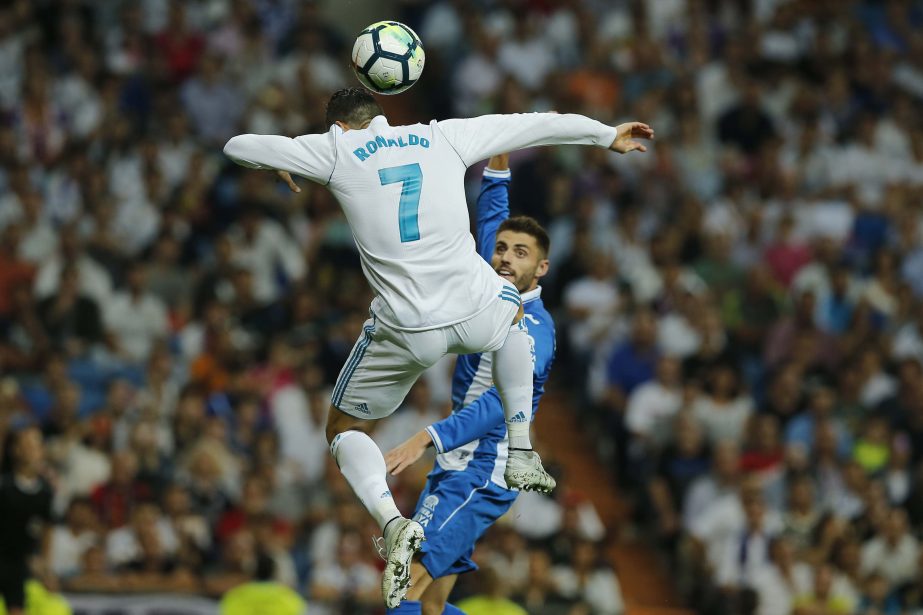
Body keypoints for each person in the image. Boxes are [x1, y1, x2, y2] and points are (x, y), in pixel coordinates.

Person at [224, 87, 653, 606]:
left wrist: (288, 156)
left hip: (408, 330)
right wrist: (606, 134)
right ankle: (522, 447)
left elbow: (238, 145)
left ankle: (391, 521)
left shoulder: (333, 151)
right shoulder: (441, 135)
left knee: (344, 430)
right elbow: (537, 124)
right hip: (473, 316)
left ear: (338, 127)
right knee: (513, 310)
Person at [382, 153, 556, 615]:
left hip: (482, 467)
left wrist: (427, 437)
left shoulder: (534, 329)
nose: (505, 257)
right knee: (434, 605)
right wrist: (498, 160)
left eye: (521, 254)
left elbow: (503, 404)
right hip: (458, 465)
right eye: (502, 249)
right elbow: (493, 218)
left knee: (402, 589)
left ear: (541, 270)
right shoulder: (491, 283)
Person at [0, 428, 54, 615]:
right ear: (15, 450)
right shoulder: (4, 486)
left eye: (35, 445)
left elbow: (47, 528)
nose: (30, 450)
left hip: (19, 565)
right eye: (26, 444)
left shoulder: (45, 492)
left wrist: (45, 565)